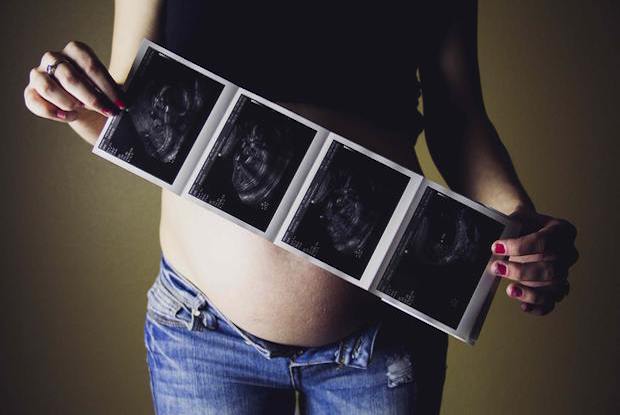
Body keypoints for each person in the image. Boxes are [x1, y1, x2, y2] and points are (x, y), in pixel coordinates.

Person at [23, 1, 578, 414]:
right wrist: (69, 97)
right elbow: (123, 107)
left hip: (379, 341)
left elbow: (457, 114)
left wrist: (517, 218)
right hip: (201, 335)